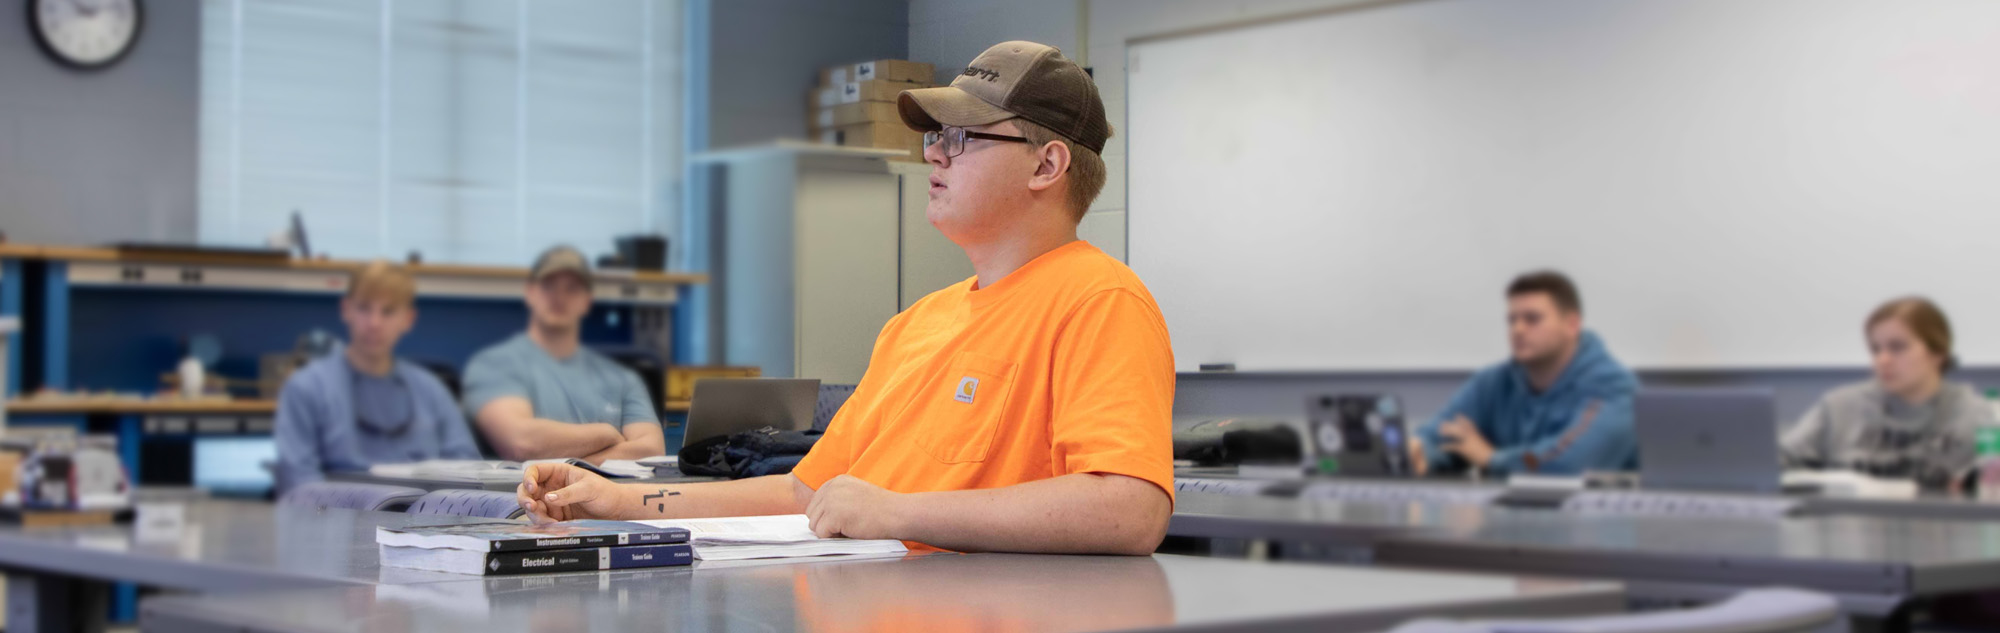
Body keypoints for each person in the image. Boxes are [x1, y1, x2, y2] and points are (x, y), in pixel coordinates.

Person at [518, 41, 1175, 555]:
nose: (934, 157)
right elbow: (806, 490)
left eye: (963, 137)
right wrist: (615, 500)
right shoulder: (916, 324)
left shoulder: (1099, 300)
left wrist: (901, 511)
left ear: (1046, 166)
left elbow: (1127, 510)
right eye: (935, 137)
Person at [274, 261, 479, 494]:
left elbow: (470, 471)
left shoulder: (431, 391)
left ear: (408, 319)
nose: (374, 323)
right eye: (364, 308)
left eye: (388, 311)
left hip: (426, 523)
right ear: (346, 310)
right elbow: (299, 484)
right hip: (336, 522)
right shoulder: (306, 388)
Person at [1411, 271, 1639, 476]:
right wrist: (1420, 453)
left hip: (1592, 521)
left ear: (1572, 325)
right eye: (1512, 320)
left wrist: (1492, 459)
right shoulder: (1493, 383)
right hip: (1509, 519)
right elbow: (1442, 435)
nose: (1517, 329)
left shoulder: (1615, 388)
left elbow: (1569, 463)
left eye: (1532, 319)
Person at [463, 246, 664, 463]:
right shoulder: (494, 364)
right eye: (549, 286)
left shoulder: (624, 379)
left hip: (614, 495)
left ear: (587, 301)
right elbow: (522, 443)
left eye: (572, 288)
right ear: (530, 293)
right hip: (531, 495)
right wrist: (607, 434)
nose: (559, 296)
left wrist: (569, 464)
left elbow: (652, 452)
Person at [1781, 297, 1990, 489]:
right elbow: (1778, 462)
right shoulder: (1839, 407)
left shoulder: (1973, 415)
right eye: (1875, 349)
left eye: (1897, 347)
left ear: (1937, 353)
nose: (1883, 360)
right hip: (1850, 525)